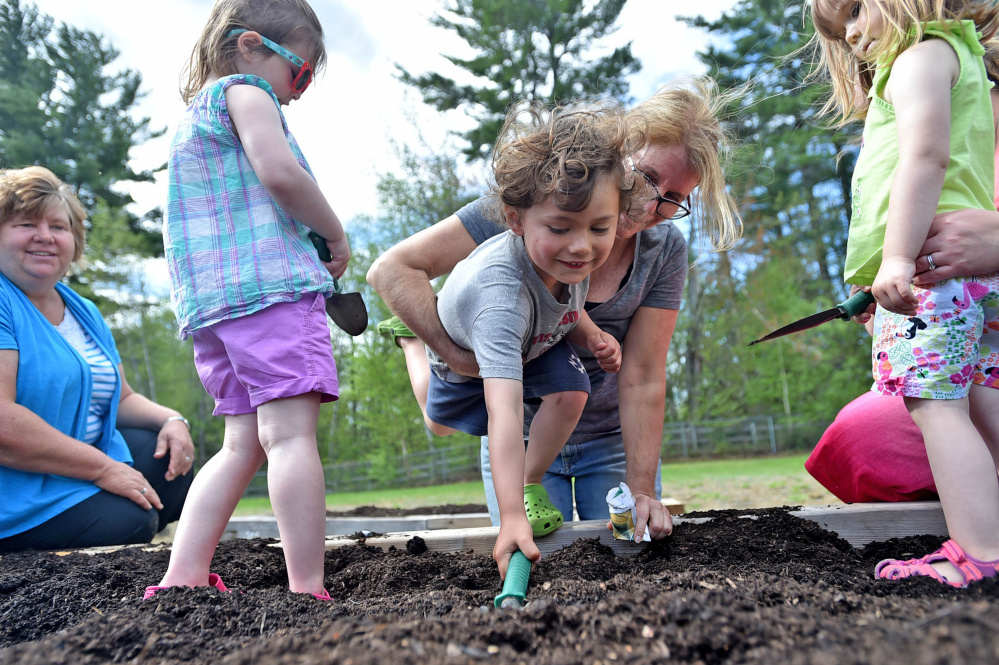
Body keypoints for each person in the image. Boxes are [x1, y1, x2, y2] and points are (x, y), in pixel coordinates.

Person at [368, 76, 743, 545]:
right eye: (646, 178)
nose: (650, 205)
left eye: (673, 201)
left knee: (627, 556)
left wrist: (643, 487)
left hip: (606, 436)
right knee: (446, 428)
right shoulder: (531, 206)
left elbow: (643, 371)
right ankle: (412, 340)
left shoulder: (647, 247)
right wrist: (462, 359)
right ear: (617, 152)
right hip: (518, 427)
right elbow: (393, 269)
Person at [146, 0, 348, 601]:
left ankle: (182, 574)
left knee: (240, 445)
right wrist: (334, 233)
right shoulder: (246, 92)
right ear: (252, 45)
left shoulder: (191, 120)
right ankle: (306, 585)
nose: (299, 92)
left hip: (212, 308)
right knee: (289, 439)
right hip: (271, 292)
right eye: (302, 73)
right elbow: (281, 175)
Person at [810, 0, 999, 587]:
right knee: (983, 398)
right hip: (970, 280)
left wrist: (894, 257)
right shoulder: (959, 57)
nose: (853, 33)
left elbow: (925, 156)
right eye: (841, 28)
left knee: (935, 405)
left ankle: (979, 552)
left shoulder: (916, 60)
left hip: (932, 275)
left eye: (857, 10)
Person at [408, 101, 632, 575]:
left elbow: (566, 309)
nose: (581, 245)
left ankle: (530, 482)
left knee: (573, 391)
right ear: (515, 220)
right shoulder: (501, 299)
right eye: (560, 228)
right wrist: (510, 518)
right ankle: (409, 346)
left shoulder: (570, 260)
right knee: (440, 422)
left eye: (599, 227)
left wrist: (591, 338)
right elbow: (504, 411)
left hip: (535, 339)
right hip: (470, 348)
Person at [0, 166, 194, 553]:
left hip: (69, 466)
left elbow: (119, 398)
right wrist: (104, 469)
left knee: (170, 466)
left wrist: (171, 419)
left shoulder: (82, 309)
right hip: (16, 481)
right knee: (129, 520)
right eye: (25, 224)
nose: (45, 236)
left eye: (58, 226)